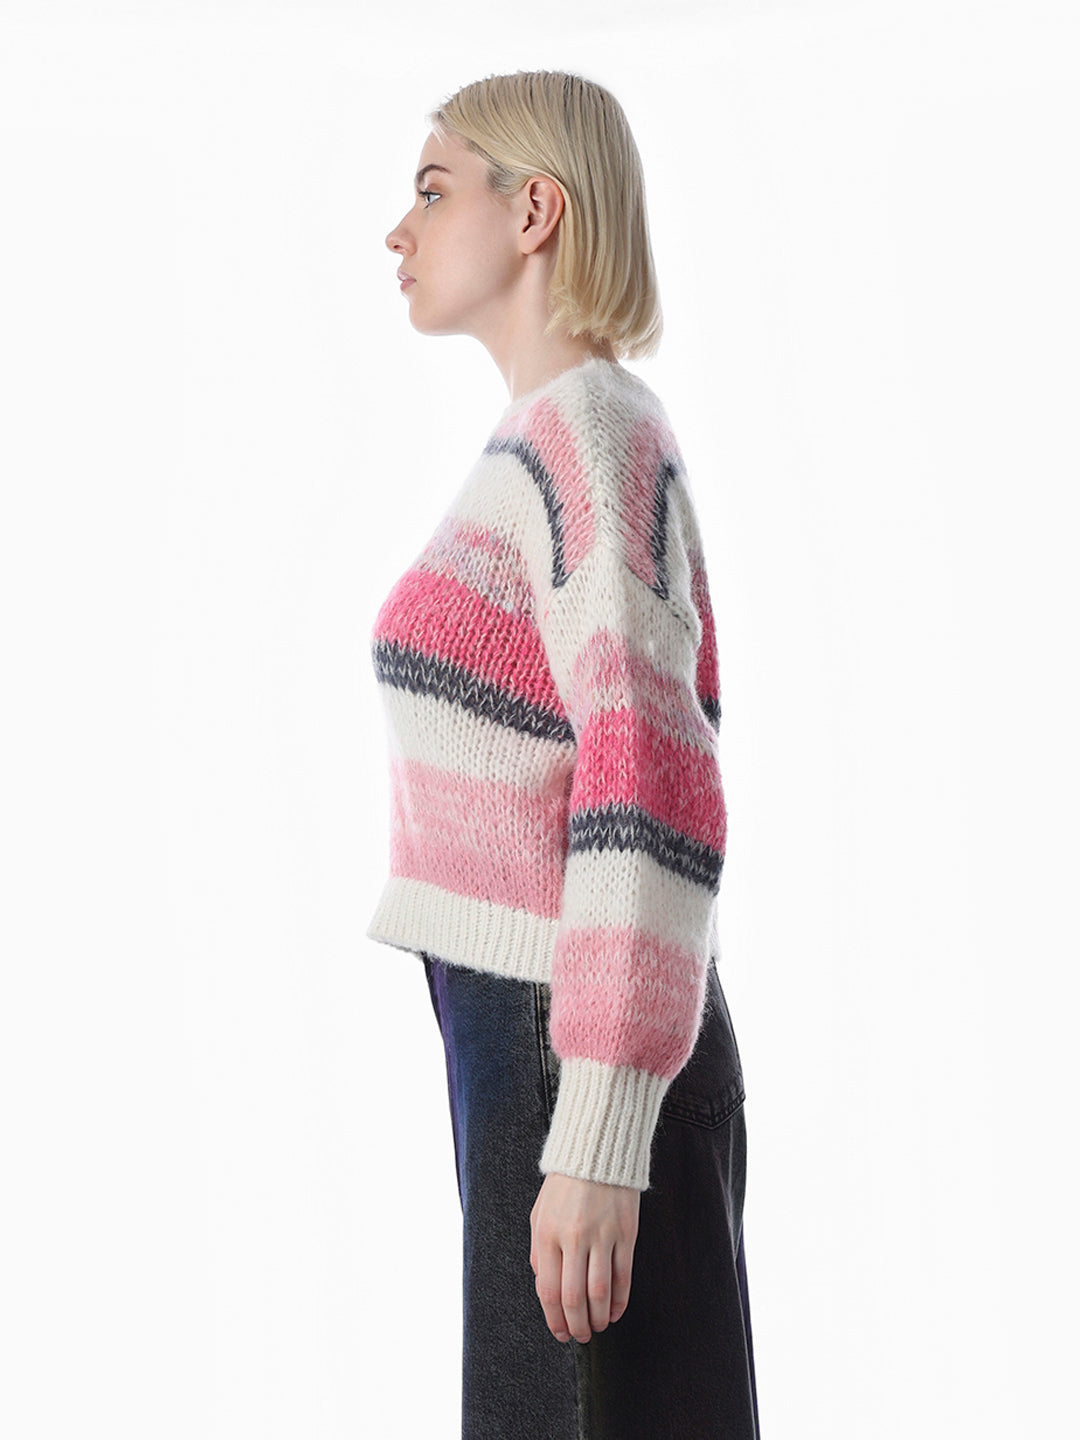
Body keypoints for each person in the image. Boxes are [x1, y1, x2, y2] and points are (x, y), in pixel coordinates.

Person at [371, 69, 761, 1440]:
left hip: (570, 1050)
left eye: (433, 190)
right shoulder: (542, 440)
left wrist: (596, 1129)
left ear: (534, 209)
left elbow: (651, 786)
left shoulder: (592, 433)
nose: (399, 231)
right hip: (527, 1043)